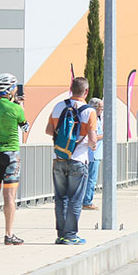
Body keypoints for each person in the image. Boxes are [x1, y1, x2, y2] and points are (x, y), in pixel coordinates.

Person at [46, 77, 97, 245]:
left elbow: (48, 131)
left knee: (61, 198)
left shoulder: (58, 106)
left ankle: (61, 235)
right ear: (86, 91)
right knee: (75, 198)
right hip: (78, 160)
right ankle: (71, 235)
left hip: (59, 158)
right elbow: (92, 139)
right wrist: (92, 144)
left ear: (71, 89)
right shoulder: (89, 111)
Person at [0, 73, 27, 245]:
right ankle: (9, 235)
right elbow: (25, 127)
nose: (16, 89)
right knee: (9, 197)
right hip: (10, 155)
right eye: (14, 87)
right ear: (9, 89)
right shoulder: (15, 108)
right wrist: (19, 106)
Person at [82, 98, 104, 210]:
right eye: (101, 108)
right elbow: (94, 136)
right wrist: (105, 134)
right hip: (93, 154)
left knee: (89, 178)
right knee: (91, 179)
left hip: (95, 153)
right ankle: (87, 201)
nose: (102, 110)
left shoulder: (97, 118)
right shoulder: (93, 119)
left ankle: (85, 200)